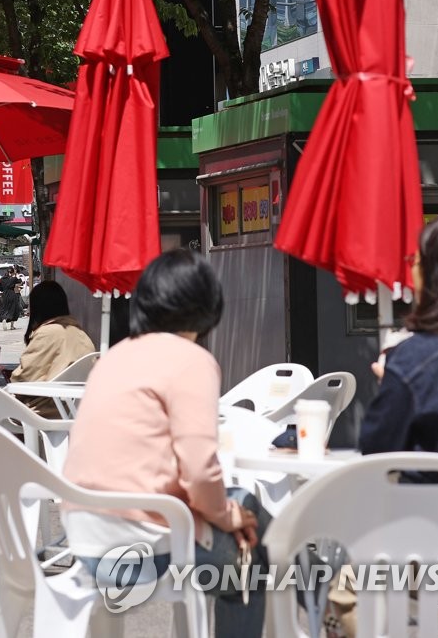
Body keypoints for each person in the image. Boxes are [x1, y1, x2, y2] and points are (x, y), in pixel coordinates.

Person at [61, 249, 269, 638]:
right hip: (142, 543)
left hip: (83, 534)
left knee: (246, 508)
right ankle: (321, 608)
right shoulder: (191, 360)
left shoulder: (114, 356)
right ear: (208, 304)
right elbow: (198, 466)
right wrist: (227, 517)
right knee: (253, 557)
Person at [360, 211, 438, 456]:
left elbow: (375, 448)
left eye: (415, 262)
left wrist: (393, 382)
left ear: (435, 274)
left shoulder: (412, 360)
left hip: (430, 491)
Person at [9, 281, 96, 417]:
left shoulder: (48, 333)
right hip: (74, 408)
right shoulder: (80, 333)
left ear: (37, 307)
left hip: (45, 409)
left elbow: (24, 377)